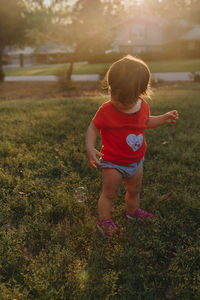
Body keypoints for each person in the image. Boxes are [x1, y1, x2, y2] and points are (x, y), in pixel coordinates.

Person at [85, 55, 178, 237]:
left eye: (124, 98)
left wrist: (163, 118)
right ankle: (104, 221)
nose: (117, 100)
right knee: (109, 194)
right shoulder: (106, 110)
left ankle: (133, 212)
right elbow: (93, 127)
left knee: (134, 191)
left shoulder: (142, 106)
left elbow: (145, 122)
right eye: (114, 94)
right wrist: (90, 148)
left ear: (139, 93)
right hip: (113, 163)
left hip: (136, 162)